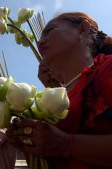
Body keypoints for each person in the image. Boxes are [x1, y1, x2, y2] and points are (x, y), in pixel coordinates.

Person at [6, 12, 112, 169]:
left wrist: (66, 145)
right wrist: (29, 144)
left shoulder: (107, 68)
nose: (40, 41)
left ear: (83, 29)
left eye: (50, 30)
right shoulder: (56, 102)